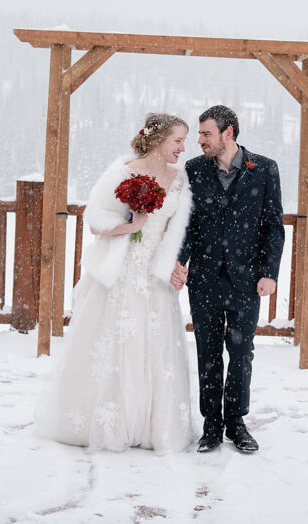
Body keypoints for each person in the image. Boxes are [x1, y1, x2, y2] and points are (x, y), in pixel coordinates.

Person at [36, 113, 196, 452]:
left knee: (152, 346)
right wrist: (130, 225)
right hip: (119, 271)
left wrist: (174, 265)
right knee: (112, 343)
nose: (183, 147)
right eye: (177, 140)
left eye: (184, 140)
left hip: (155, 277)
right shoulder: (123, 170)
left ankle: (151, 424)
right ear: (157, 140)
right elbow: (95, 219)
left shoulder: (180, 181)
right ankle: (109, 421)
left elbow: (176, 233)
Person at [171, 105, 285, 453]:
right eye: (200, 134)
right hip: (204, 277)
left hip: (246, 279)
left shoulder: (264, 169)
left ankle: (236, 422)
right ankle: (211, 425)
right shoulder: (193, 170)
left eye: (206, 134)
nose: (199, 140)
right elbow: (187, 223)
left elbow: (273, 226)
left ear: (228, 133)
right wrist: (179, 260)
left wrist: (269, 273)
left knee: (240, 352)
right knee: (207, 352)